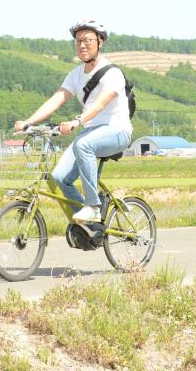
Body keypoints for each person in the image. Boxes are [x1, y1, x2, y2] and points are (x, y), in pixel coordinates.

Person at [13, 19, 132, 235]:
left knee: (83, 144)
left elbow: (101, 103)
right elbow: (57, 99)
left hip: (117, 131)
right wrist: (29, 122)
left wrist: (78, 121)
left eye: (87, 40)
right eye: (78, 42)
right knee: (59, 177)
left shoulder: (113, 73)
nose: (82, 45)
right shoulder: (76, 74)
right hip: (90, 133)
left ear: (100, 42)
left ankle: (93, 207)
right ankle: (90, 229)